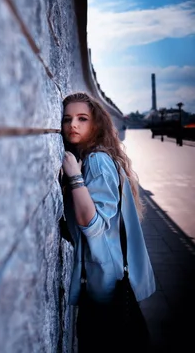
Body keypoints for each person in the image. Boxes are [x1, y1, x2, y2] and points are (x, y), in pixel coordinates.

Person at [60, 92, 156, 352]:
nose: (73, 125)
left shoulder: (97, 161)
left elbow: (93, 224)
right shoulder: (100, 156)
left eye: (82, 118)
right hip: (107, 275)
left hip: (104, 282)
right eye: (67, 119)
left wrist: (74, 178)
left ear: (96, 124)